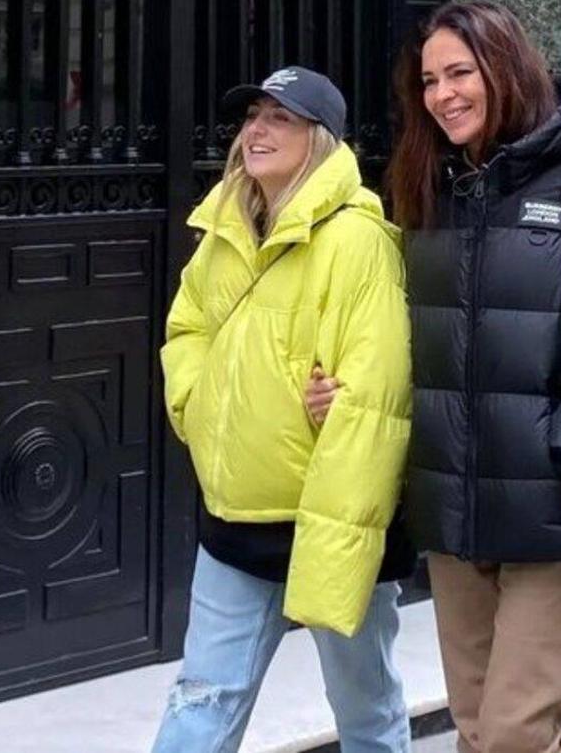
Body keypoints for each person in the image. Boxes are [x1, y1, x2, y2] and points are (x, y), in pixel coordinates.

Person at [305, 2, 561, 753]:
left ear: (505, 68)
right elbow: (403, 339)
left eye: (460, 73)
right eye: (430, 81)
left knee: (513, 732)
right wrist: (350, 398)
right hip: (455, 516)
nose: (444, 95)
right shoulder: (427, 192)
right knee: (480, 732)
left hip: (555, 515)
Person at [152, 66, 415, 753]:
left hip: (326, 518)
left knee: (366, 709)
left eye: (281, 118)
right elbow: (187, 331)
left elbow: (376, 393)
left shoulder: (357, 238)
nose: (258, 131)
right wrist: (199, 408)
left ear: (319, 140)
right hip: (234, 516)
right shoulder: (224, 227)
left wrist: (338, 405)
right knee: (202, 697)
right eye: (253, 116)